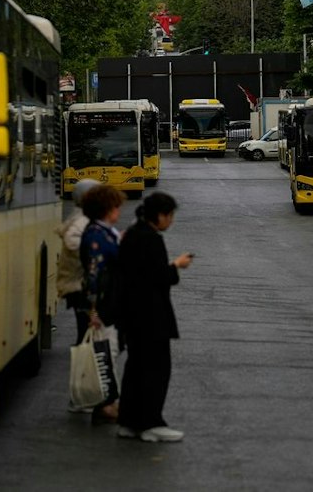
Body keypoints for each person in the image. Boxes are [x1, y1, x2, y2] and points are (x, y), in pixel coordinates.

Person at [114, 191, 193, 443]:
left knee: (135, 368)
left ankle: (128, 421)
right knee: (156, 370)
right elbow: (159, 276)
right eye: (169, 216)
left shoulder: (131, 234)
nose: (170, 221)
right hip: (151, 315)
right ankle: (151, 422)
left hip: (131, 314)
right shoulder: (152, 239)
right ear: (159, 215)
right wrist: (176, 265)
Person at [78, 182, 126, 421]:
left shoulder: (104, 232)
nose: (119, 210)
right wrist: (93, 310)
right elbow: (93, 275)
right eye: (116, 206)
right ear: (107, 209)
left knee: (110, 350)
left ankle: (108, 401)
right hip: (104, 305)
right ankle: (105, 403)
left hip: (111, 303)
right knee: (106, 352)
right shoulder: (96, 236)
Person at [57, 179, 101, 347]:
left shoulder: (82, 217)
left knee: (85, 323)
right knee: (87, 323)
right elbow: (75, 244)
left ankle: (85, 351)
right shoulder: (82, 220)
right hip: (81, 283)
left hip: (79, 282)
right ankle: (85, 355)